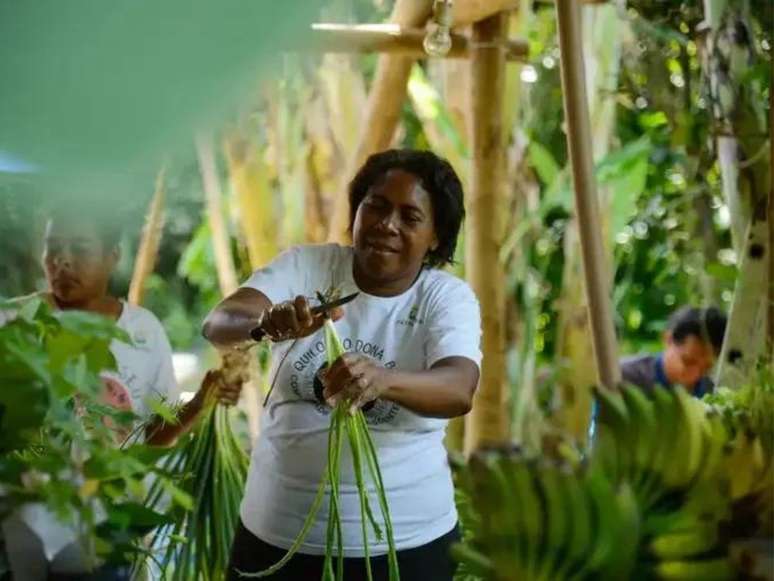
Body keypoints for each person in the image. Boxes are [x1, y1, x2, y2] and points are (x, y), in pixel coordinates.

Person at [203, 149, 482, 581]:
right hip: (274, 536)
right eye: (376, 206)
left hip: (405, 547)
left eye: (410, 217)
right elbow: (219, 323)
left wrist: (383, 380)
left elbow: (458, 388)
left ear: (435, 237)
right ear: (356, 211)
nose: (387, 224)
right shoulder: (307, 266)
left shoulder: (444, 298)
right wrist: (265, 323)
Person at [1, 205, 241, 580]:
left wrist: (199, 404)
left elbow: (151, 435)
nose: (62, 259)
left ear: (112, 256)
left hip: (107, 533)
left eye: (79, 247)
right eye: (53, 247)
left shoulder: (142, 331)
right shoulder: (13, 322)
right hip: (21, 527)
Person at [620, 305, 727, 397]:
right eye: (688, 362)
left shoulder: (710, 392)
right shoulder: (622, 377)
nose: (695, 376)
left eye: (706, 369)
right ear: (668, 339)